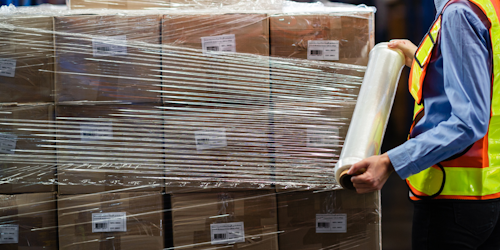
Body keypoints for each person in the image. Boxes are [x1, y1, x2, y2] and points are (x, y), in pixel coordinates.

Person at [346, 0, 500, 248]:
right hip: (490, 191)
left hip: (455, 200)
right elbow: (486, 80)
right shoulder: (488, 6)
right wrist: (422, 59)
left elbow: (469, 121)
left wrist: (389, 162)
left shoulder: (460, 12)